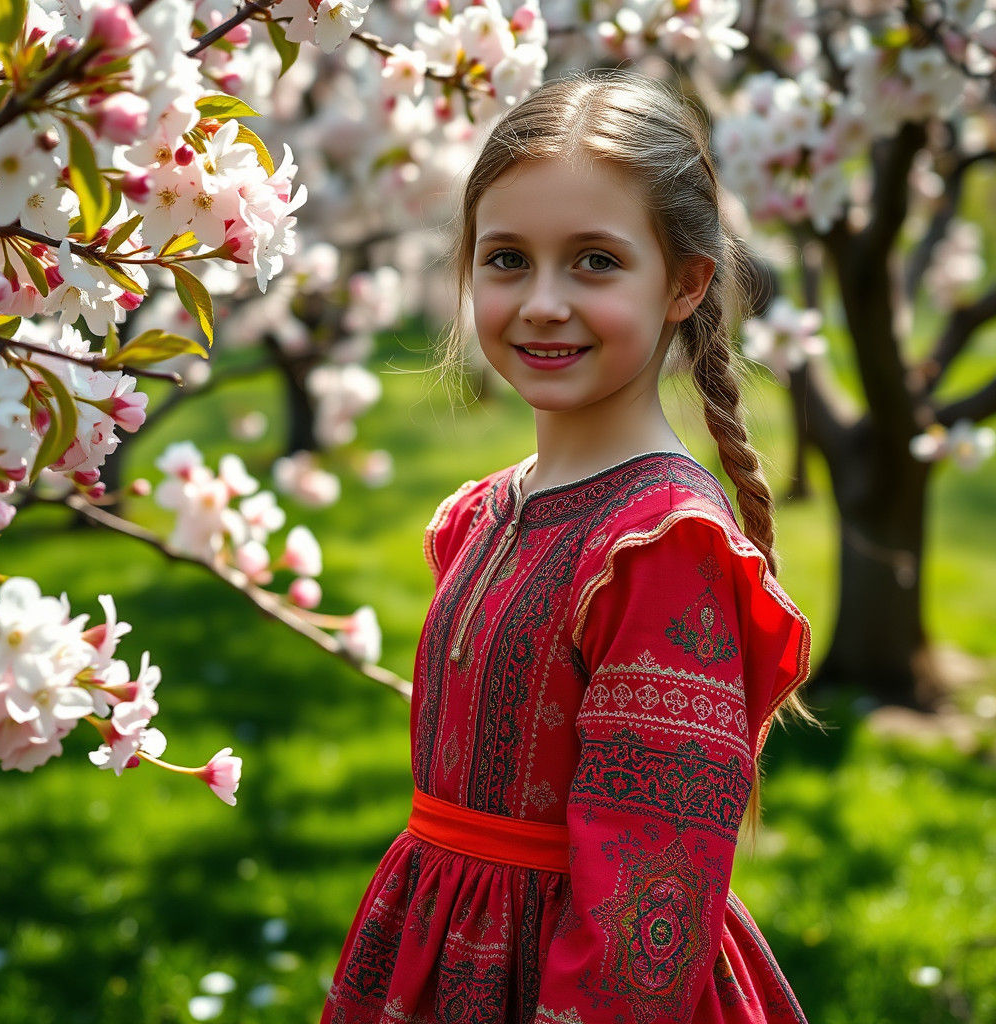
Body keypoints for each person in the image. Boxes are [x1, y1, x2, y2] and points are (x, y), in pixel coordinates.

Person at [321, 70, 813, 1024]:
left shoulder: (663, 548)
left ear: (684, 283)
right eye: (507, 260)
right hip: (437, 947)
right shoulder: (487, 514)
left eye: (594, 261)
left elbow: (649, 908)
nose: (543, 302)